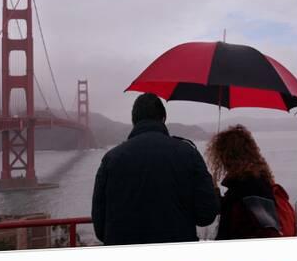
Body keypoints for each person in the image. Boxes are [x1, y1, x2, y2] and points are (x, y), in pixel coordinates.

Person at [91, 93, 220, 245]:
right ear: (164, 118)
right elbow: (206, 215)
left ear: (134, 121)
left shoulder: (111, 159)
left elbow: (100, 229)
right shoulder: (188, 153)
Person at [205, 124, 296, 240]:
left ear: (228, 157)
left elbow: (241, 219)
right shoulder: (256, 180)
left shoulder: (245, 185)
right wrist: (216, 195)